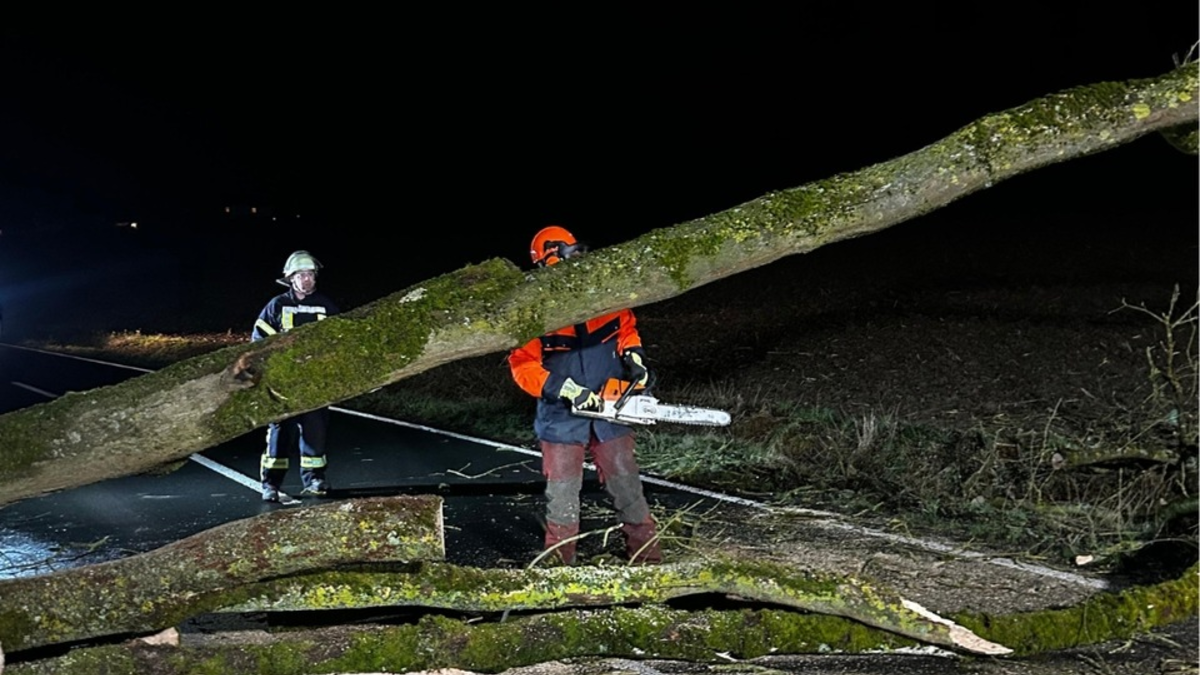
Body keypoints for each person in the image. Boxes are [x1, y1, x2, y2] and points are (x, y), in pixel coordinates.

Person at [507, 225, 663, 565]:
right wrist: (566, 389)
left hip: (611, 409)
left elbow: (626, 329)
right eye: (569, 254)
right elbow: (523, 366)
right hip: (562, 415)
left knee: (627, 486)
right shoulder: (534, 312)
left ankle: (648, 561)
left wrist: (634, 359)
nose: (577, 260)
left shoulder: (602, 295)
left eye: (578, 253)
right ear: (549, 259)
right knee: (562, 494)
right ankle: (561, 566)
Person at [251, 250, 341, 502]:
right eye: (302, 274)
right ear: (291, 278)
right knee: (279, 435)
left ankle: (315, 479)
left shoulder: (326, 305)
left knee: (315, 434)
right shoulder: (276, 306)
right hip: (283, 385)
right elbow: (258, 341)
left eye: (311, 274)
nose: (307, 279)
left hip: (315, 383)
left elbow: (340, 341)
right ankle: (270, 483)